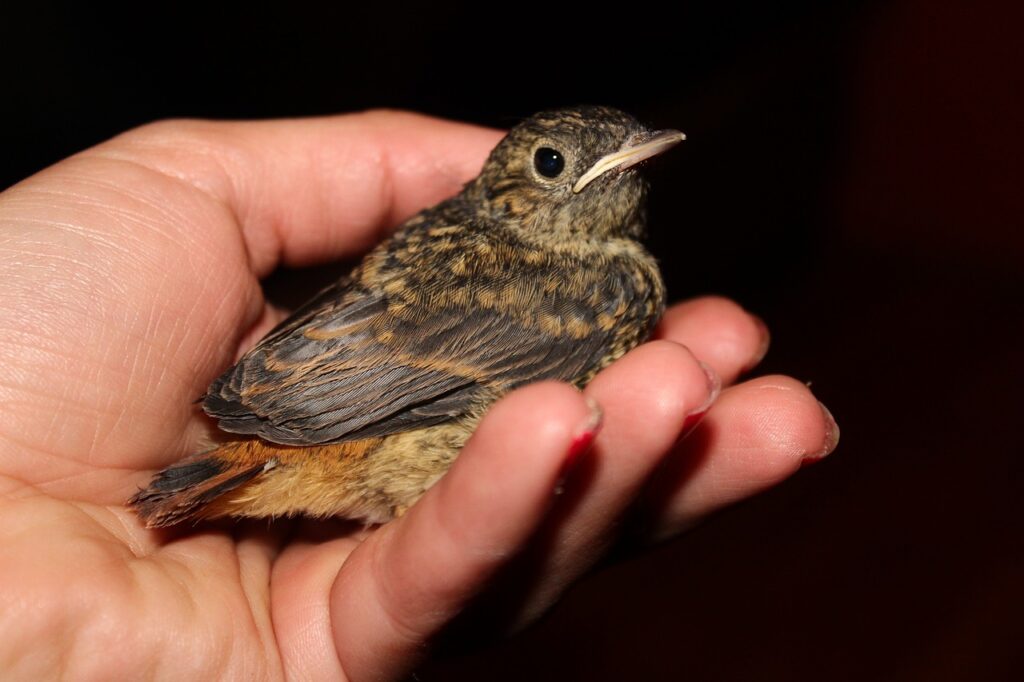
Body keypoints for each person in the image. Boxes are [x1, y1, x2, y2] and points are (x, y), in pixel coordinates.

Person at [0, 111, 838, 680]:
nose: (587, 174)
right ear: (509, 184)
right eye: (553, 164)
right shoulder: (610, 291)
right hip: (349, 435)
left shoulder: (581, 271)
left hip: (330, 412)